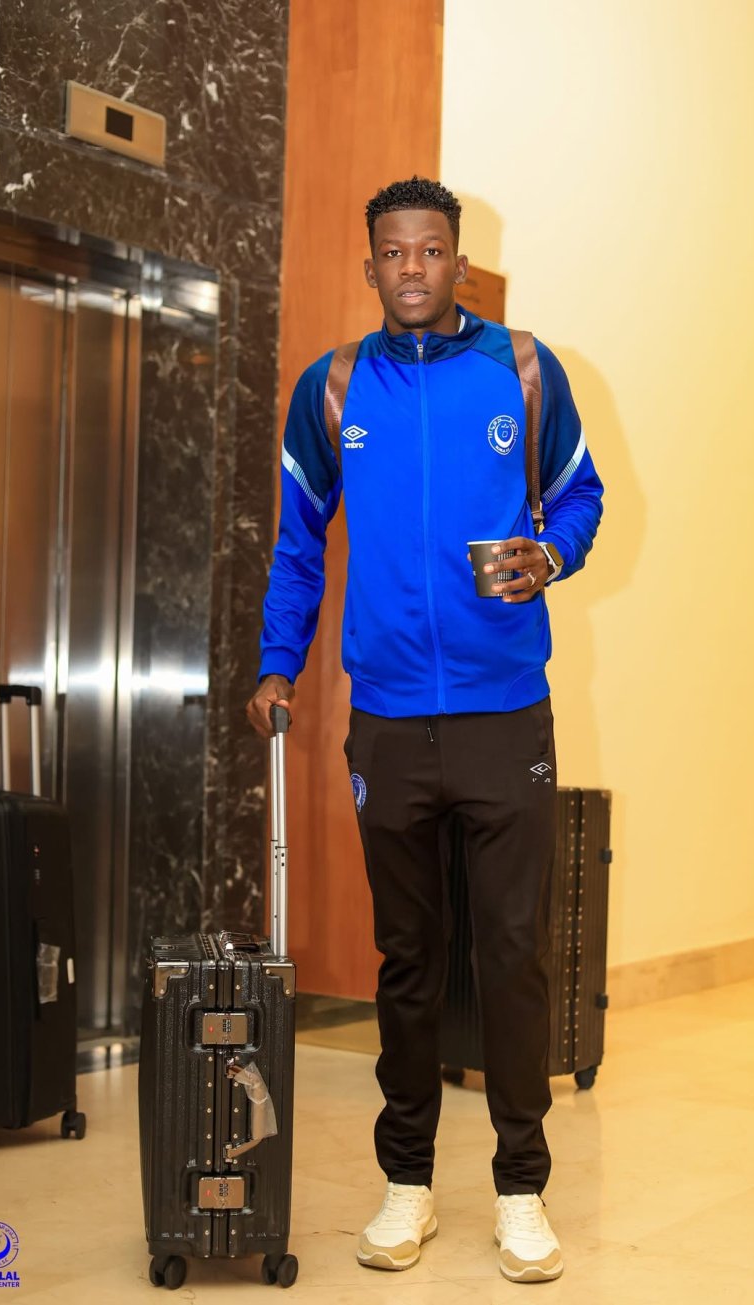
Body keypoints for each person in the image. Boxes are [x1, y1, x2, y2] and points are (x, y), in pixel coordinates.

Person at [247, 177, 603, 1284]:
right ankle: (407, 1183)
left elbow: (580, 496)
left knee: (511, 956)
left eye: (431, 250)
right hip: (390, 720)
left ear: (460, 263)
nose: (412, 267)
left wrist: (552, 552)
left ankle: (520, 1190)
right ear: (372, 268)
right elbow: (300, 542)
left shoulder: (524, 372)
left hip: (506, 712)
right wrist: (277, 662)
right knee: (407, 961)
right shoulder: (332, 389)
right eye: (393, 252)